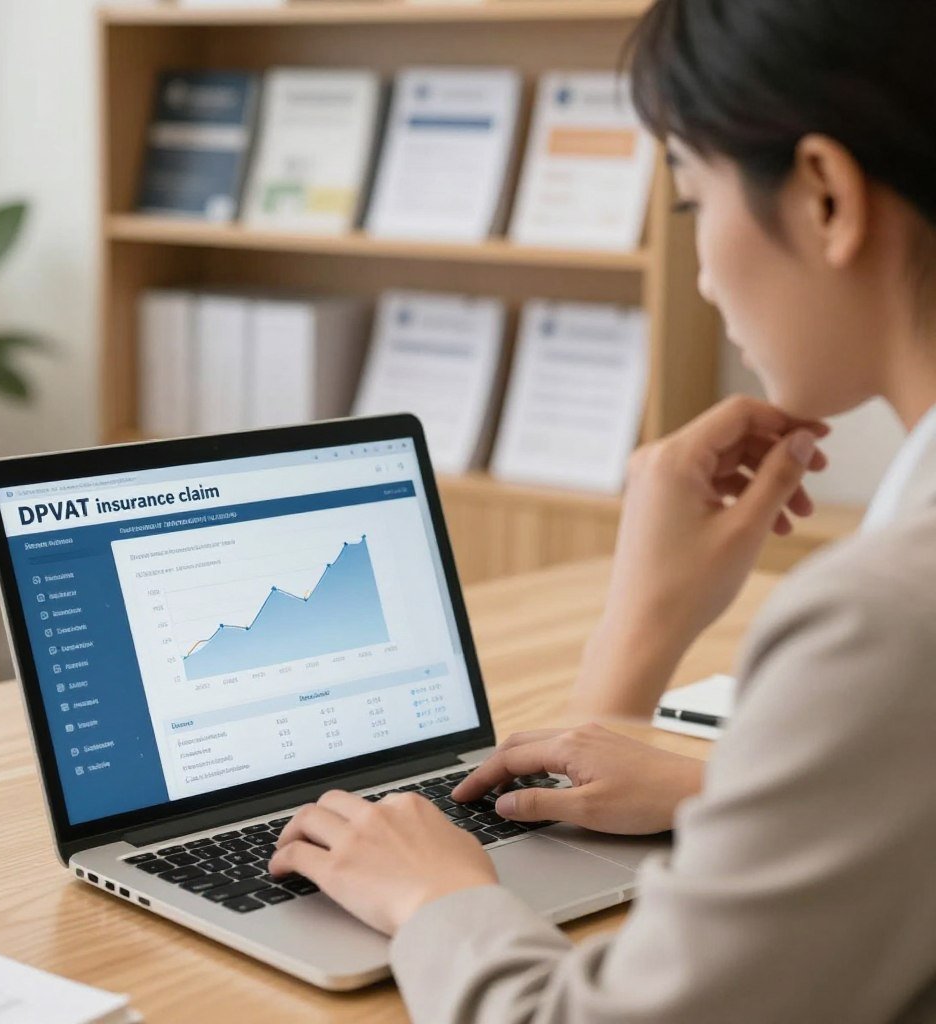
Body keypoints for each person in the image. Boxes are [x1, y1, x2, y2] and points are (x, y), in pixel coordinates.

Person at [269, 1, 936, 1019]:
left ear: (824, 198)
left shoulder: (883, 615)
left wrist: (433, 897)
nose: (705, 273)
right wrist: (716, 794)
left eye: (689, 202)